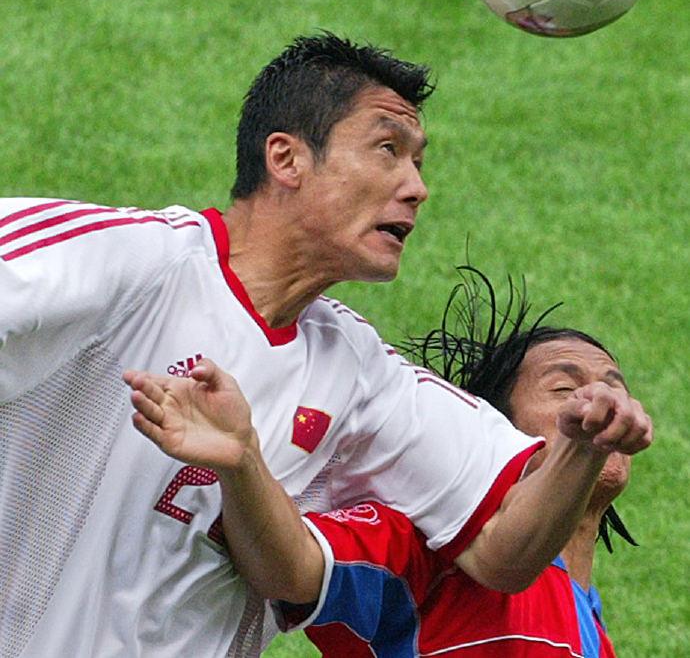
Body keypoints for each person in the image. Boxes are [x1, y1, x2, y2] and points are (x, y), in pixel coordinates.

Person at [0, 35, 651, 657]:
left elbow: (504, 552)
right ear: (286, 159)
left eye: (418, 162)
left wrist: (581, 449)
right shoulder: (132, 263)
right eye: (387, 149)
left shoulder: (358, 374)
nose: (417, 187)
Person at [127, 269, 642, 657]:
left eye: (613, 389)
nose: (599, 402)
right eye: (565, 389)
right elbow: (293, 567)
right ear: (495, 435)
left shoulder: (593, 633)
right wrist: (243, 459)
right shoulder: (427, 548)